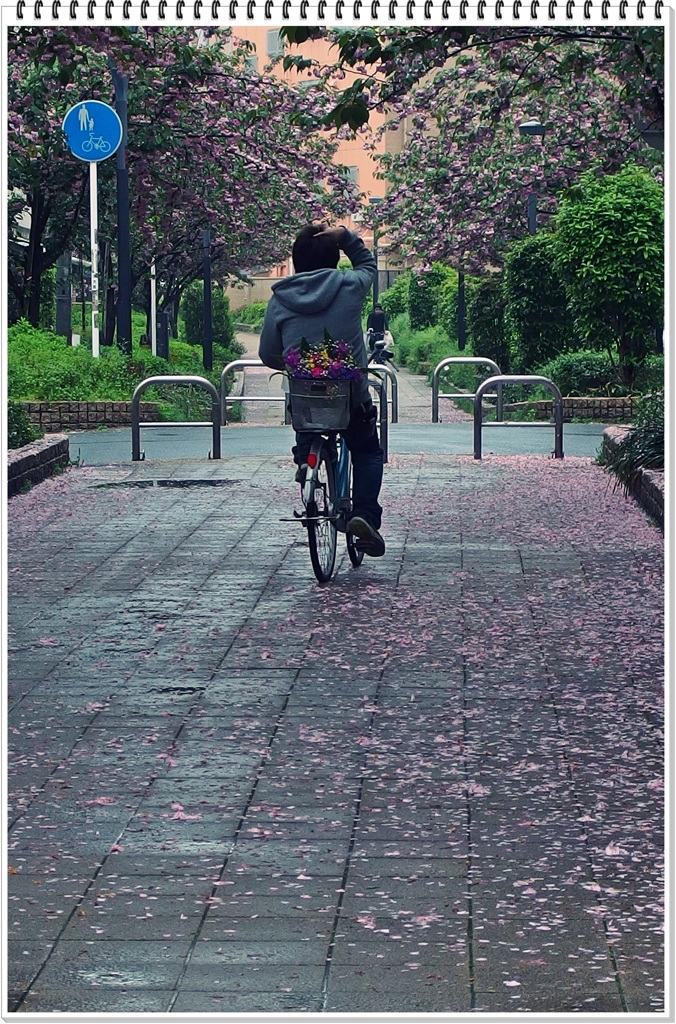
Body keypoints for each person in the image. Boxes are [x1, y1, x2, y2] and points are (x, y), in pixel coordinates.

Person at [259, 222, 385, 557]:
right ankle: (364, 515)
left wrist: (291, 363)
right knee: (368, 451)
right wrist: (345, 237)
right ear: (334, 259)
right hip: (350, 396)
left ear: (296, 260)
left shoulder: (280, 299)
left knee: (306, 414)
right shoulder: (349, 286)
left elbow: (267, 353)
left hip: (307, 399)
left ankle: (306, 460)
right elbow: (368, 265)